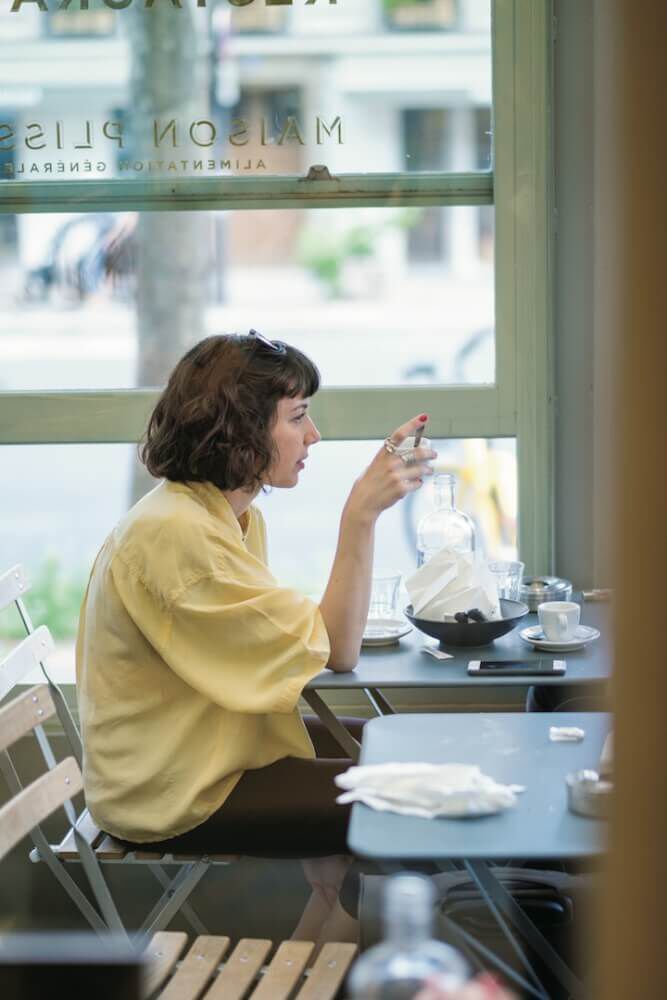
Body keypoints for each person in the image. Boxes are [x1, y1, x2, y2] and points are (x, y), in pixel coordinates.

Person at [75, 330, 436, 946]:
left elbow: (300, 642)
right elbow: (337, 647)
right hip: (173, 786)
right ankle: (340, 959)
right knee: (402, 807)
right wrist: (360, 513)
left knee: (395, 747)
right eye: (298, 418)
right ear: (239, 428)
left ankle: (311, 965)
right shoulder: (177, 536)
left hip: (202, 748)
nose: (313, 436)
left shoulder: (220, 515)